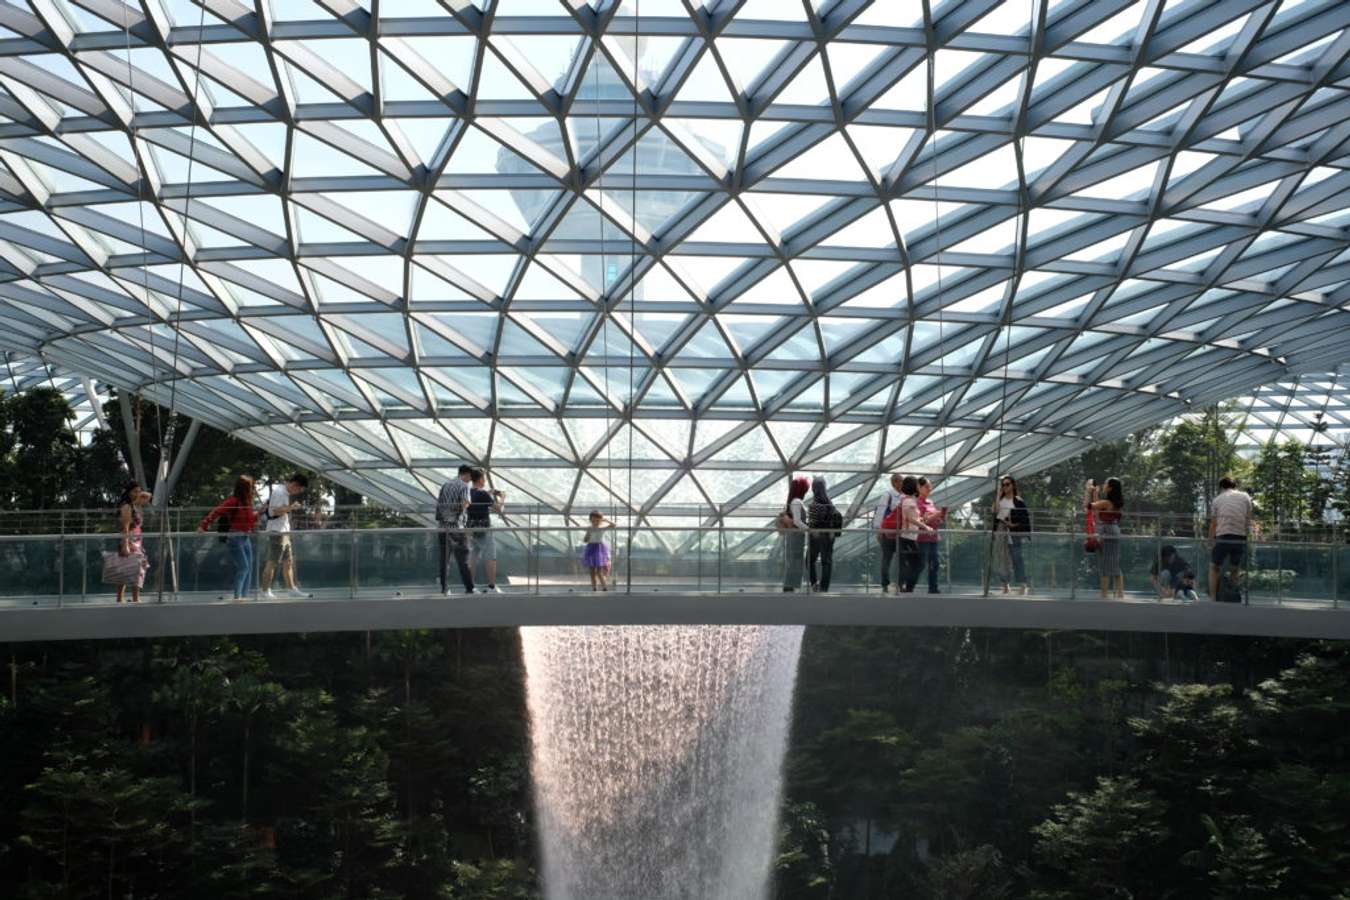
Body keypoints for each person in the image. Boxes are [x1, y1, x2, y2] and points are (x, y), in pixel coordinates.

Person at [198, 475, 259, 601]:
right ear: (244, 489)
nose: (253, 489)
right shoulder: (233, 501)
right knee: (244, 567)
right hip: (235, 537)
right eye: (251, 487)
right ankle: (238, 597)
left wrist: (258, 515)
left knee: (248, 567)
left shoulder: (247, 502)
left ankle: (243, 596)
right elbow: (217, 511)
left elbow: (249, 520)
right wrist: (204, 525)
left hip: (245, 537)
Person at [259, 472, 309, 600]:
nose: (297, 492)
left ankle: (292, 589)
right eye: (299, 489)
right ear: (295, 484)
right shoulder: (280, 492)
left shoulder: (283, 492)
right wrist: (291, 507)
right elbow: (275, 510)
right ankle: (265, 591)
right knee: (273, 562)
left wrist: (289, 508)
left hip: (283, 531)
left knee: (288, 562)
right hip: (277, 532)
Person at [1208, 475, 1254, 603]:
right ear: (1235, 486)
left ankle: (1212, 598)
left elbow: (1213, 523)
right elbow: (1248, 519)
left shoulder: (1217, 499)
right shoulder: (1245, 497)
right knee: (1235, 568)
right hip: (1240, 536)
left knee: (1213, 567)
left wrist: (1210, 540)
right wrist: (1246, 537)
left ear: (1221, 487)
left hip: (1223, 535)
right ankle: (1234, 594)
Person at [436, 465, 475, 596]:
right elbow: (466, 502)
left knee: (444, 560)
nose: (470, 480)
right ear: (466, 474)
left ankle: (445, 588)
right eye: (470, 477)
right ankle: (470, 588)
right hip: (457, 527)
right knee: (463, 558)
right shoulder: (464, 486)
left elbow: (439, 505)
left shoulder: (446, 485)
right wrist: (457, 513)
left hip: (442, 527)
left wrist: (444, 517)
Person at [991, 475, 1031, 594]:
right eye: (1003, 484)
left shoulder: (1018, 501)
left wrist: (1014, 525)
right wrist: (998, 494)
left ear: (1013, 485)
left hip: (1014, 532)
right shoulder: (1000, 500)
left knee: (1017, 557)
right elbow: (994, 511)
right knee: (1002, 558)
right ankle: (1005, 584)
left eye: (1007, 484)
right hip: (1001, 529)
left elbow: (1024, 518)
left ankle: (1023, 584)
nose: (1005, 486)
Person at [467, 468, 505, 593]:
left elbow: (478, 502)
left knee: (473, 558)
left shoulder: (469, 492)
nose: (485, 480)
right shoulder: (483, 494)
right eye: (484, 478)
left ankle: (470, 586)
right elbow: (498, 509)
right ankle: (492, 587)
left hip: (471, 529)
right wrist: (502, 497)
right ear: (480, 479)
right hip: (484, 530)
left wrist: (488, 493)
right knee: (490, 557)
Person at [1087, 476, 1125, 599]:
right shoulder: (1113, 503)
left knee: (1105, 565)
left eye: (1105, 483)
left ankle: (1104, 595)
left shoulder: (1107, 503)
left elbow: (1090, 506)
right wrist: (1095, 494)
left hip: (1107, 532)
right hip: (1113, 531)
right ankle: (1120, 594)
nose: (1103, 485)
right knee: (1114, 564)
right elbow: (1098, 506)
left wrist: (1089, 491)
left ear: (1110, 488)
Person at [114, 482, 152, 603]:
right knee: (125, 571)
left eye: (139, 491)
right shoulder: (126, 507)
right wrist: (125, 545)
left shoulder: (135, 505)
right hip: (129, 541)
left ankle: (135, 599)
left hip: (138, 541)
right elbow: (125, 527)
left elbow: (149, 496)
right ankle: (120, 599)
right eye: (134, 491)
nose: (137, 493)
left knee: (138, 570)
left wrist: (139, 495)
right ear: (128, 492)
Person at [895, 475, 934, 593]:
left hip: (910, 537)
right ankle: (905, 586)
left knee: (914, 563)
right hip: (907, 538)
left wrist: (923, 519)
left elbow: (913, 518)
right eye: (917, 485)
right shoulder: (908, 501)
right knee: (917, 563)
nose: (918, 487)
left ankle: (906, 586)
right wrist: (925, 527)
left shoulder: (910, 500)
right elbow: (911, 519)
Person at [806, 476, 841, 593]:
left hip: (815, 536)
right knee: (827, 561)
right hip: (829, 536)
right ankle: (824, 587)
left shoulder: (814, 504)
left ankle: (814, 583)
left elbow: (812, 523)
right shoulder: (830, 503)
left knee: (809, 560)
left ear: (814, 488)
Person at [914, 477, 947, 594]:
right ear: (919, 487)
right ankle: (908, 584)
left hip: (933, 537)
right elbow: (922, 521)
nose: (929, 488)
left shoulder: (931, 502)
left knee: (934, 562)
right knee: (921, 564)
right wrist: (937, 514)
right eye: (927, 486)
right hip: (922, 537)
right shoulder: (916, 503)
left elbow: (933, 520)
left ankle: (933, 587)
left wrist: (941, 516)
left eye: (930, 486)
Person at [872, 473, 904, 592]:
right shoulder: (888, 495)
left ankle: (900, 582)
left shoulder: (904, 496)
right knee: (887, 558)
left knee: (901, 557)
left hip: (900, 533)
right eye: (901, 481)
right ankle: (885, 583)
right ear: (894, 482)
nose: (902, 483)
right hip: (887, 533)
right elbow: (880, 512)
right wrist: (878, 530)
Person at [780, 476, 810, 592]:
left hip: (794, 536)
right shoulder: (797, 502)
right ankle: (789, 586)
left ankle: (789, 586)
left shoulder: (793, 501)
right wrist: (809, 529)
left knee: (793, 560)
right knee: (795, 560)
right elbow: (797, 521)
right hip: (796, 537)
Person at [581, 510, 616, 591]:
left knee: (599, 570)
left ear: (600, 520)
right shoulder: (589, 528)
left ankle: (604, 587)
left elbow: (613, 525)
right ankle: (594, 587)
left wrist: (605, 520)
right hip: (591, 547)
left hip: (599, 549)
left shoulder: (602, 528)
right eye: (593, 520)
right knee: (592, 570)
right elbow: (586, 539)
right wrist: (587, 537)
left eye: (597, 520)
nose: (595, 522)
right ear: (590, 520)